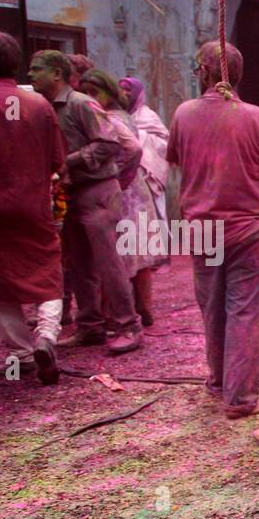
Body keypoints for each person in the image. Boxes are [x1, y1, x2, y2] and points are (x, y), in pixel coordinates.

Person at [168, 41, 259, 419]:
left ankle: (219, 381)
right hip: (248, 229)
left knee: (212, 306)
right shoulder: (256, 118)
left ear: (203, 73)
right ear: (237, 76)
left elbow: (174, 158)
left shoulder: (184, 114)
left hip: (203, 228)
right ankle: (239, 397)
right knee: (244, 309)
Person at [0, 31, 65, 385]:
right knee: (47, 272)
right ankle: (48, 336)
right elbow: (58, 161)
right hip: (33, 205)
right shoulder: (39, 105)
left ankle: (21, 355)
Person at [28, 49, 143, 355]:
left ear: (57, 73)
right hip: (73, 193)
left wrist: (69, 162)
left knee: (108, 261)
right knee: (79, 264)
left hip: (97, 190)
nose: (30, 75)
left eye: (37, 69)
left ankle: (128, 326)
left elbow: (110, 142)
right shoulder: (46, 107)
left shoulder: (81, 103)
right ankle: (89, 326)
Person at [81, 70, 169, 328]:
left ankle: (121, 314)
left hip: (127, 188)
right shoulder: (121, 116)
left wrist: (115, 176)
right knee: (136, 252)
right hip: (134, 188)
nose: (90, 98)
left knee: (120, 253)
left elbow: (139, 147)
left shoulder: (117, 118)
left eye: (95, 92)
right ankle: (139, 308)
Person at [118, 76, 171, 326]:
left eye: (129, 90)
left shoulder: (147, 116)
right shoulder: (115, 117)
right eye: (121, 90)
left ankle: (143, 306)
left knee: (142, 245)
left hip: (145, 185)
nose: (124, 94)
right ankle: (130, 306)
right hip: (122, 189)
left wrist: (139, 140)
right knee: (127, 248)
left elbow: (164, 144)